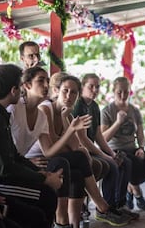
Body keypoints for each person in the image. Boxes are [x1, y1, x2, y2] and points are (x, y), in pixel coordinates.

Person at [0, 64, 62, 228]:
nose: (21, 92)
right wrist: (43, 179)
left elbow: (14, 155)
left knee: (45, 194)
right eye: (20, 87)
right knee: (44, 197)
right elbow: (4, 168)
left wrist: (42, 174)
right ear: (14, 90)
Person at [36, 72, 130, 226]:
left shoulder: (68, 114)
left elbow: (74, 146)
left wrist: (67, 120)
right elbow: (52, 150)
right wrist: (71, 131)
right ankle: (101, 206)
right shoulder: (46, 109)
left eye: (73, 92)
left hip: (58, 159)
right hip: (42, 160)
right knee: (80, 157)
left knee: (79, 173)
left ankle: (74, 224)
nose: (69, 95)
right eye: (65, 90)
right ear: (56, 91)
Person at [73, 73, 139, 220]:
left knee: (125, 162)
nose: (95, 90)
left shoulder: (94, 106)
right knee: (112, 165)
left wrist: (111, 153)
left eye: (97, 86)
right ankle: (106, 209)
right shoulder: (79, 105)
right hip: (79, 150)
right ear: (82, 87)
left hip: (89, 148)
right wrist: (105, 156)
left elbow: (97, 135)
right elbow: (82, 139)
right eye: (91, 86)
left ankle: (119, 205)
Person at [101, 77, 145, 212]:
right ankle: (136, 192)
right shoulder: (107, 111)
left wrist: (141, 148)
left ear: (130, 92)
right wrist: (118, 123)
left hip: (132, 148)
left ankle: (130, 189)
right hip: (114, 150)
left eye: (126, 92)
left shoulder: (134, 110)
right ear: (113, 91)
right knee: (130, 163)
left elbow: (140, 134)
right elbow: (104, 138)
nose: (122, 95)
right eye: (119, 92)